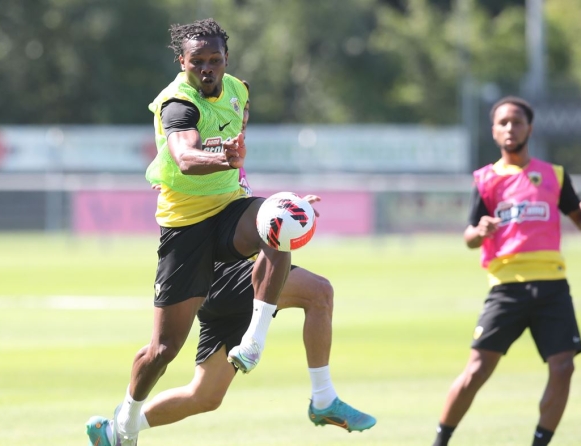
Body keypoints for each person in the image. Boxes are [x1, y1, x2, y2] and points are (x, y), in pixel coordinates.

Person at [87, 83, 375, 445]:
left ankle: (113, 430)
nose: (243, 115)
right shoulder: (204, 141)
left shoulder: (231, 155)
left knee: (205, 395)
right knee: (319, 292)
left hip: (234, 281)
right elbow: (186, 165)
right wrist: (278, 215)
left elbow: (253, 213)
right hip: (221, 275)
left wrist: (294, 212)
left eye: (245, 110)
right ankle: (321, 397)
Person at [97, 18, 293, 445]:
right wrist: (225, 160)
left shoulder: (238, 90)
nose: (207, 68)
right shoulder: (177, 105)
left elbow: (235, 132)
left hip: (228, 208)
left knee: (280, 220)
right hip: (186, 227)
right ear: (181, 62)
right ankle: (126, 419)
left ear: (226, 59)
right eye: (197, 61)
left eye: (214, 60)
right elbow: (185, 157)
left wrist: (240, 172)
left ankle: (253, 340)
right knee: (163, 350)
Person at [431, 96, 581, 446]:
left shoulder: (554, 175)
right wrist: (480, 231)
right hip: (506, 288)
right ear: (494, 131)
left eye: (517, 122)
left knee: (564, 367)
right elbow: (469, 237)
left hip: (553, 286)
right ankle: (440, 441)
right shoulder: (486, 179)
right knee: (477, 370)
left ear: (530, 129)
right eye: (503, 123)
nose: (511, 128)